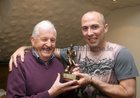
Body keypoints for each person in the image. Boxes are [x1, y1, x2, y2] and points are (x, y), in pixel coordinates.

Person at [9, 11, 139, 98]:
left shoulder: (121, 53)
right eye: (85, 28)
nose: (89, 33)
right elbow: (48, 49)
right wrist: (24, 48)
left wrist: (91, 81)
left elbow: (129, 93)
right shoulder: (74, 52)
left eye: (95, 27)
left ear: (105, 28)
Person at [6, 20, 80, 98]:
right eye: (44, 39)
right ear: (33, 41)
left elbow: (65, 94)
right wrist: (49, 94)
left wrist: (72, 81)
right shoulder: (20, 63)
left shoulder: (59, 64)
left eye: (52, 40)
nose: (49, 44)